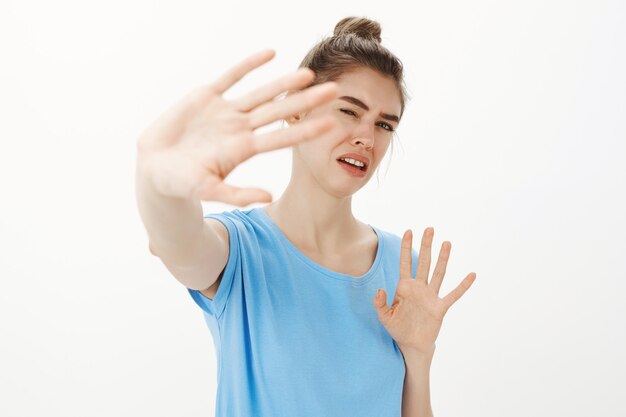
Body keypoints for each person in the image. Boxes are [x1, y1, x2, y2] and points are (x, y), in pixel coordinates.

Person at [135, 16, 476, 417]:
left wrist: (418, 358)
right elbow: (180, 243)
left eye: (384, 124)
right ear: (296, 113)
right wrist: (156, 178)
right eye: (350, 112)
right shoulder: (240, 251)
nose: (367, 138)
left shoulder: (401, 269)